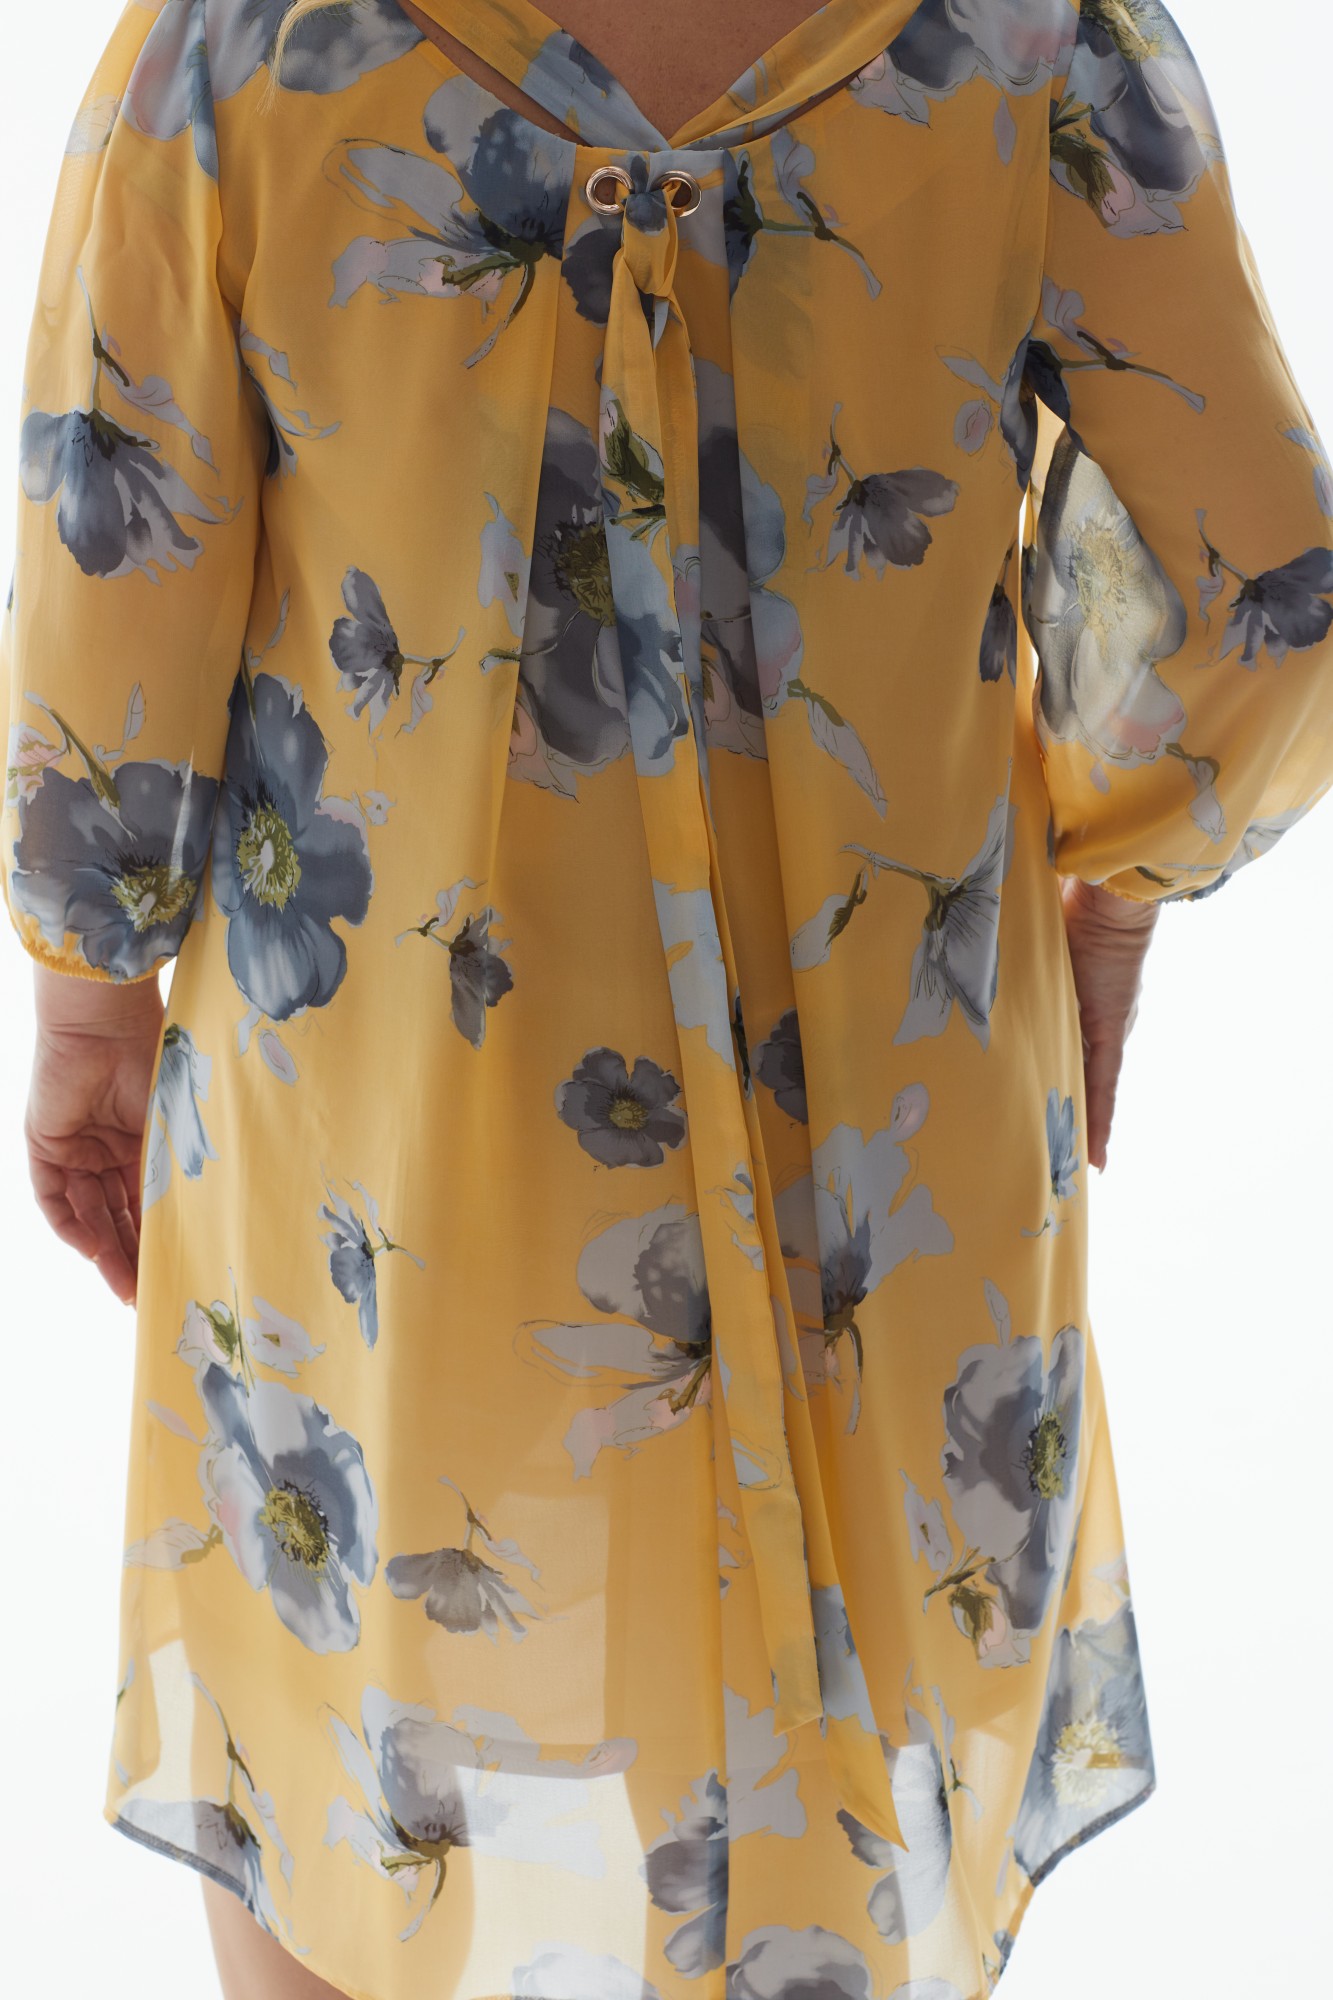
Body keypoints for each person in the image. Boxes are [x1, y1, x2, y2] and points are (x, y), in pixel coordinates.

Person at [2, 4, 1329, 1999]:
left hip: (399, 1142)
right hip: (886, 1154)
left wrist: (90, 1014)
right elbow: (1273, 597)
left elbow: (118, 602)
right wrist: (1113, 883)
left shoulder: (242, 46)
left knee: (350, 1794)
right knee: (819, 1812)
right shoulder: (1036, 39)